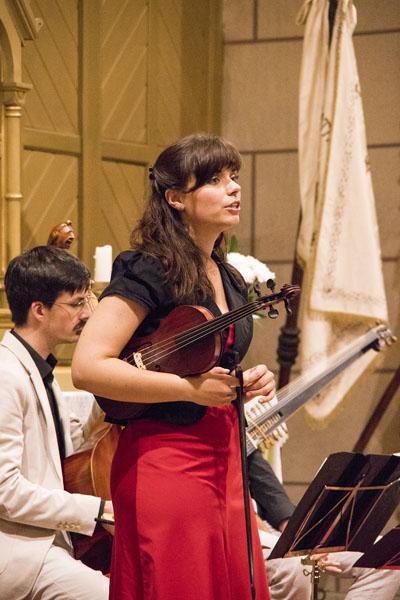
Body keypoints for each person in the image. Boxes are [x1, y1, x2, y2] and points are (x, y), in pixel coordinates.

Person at [72, 133, 276, 600]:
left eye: (234, 177)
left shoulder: (227, 275)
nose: (233, 188)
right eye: (215, 180)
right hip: (166, 459)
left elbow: (206, 363)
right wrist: (188, 390)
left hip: (224, 457)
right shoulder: (150, 268)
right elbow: (88, 367)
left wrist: (244, 380)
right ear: (175, 198)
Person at [0, 246, 111, 600]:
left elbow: (64, 448)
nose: (87, 313)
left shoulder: (38, 367)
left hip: (49, 541)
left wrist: (113, 386)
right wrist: (95, 510)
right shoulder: (5, 375)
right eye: (76, 303)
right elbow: (5, 492)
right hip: (21, 552)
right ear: (39, 310)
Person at [248, 450, 400, 600]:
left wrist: (296, 533)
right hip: (249, 543)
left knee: (387, 552)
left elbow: (269, 489)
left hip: (274, 533)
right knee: (298, 565)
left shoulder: (245, 445)